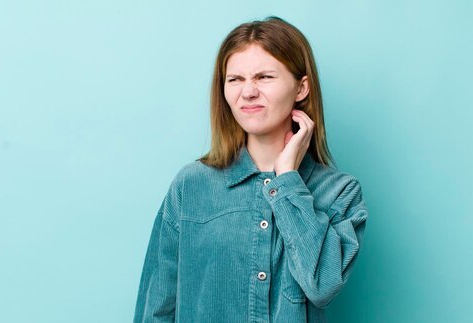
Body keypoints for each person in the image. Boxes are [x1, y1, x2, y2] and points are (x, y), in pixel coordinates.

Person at [134, 16, 368, 323]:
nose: (248, 92)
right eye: (235, 79)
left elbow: (322, 285)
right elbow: (156, 308)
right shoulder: (190, 186)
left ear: (301, 87)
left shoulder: (340, 193)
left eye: (264, 77)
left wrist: (286, 179)